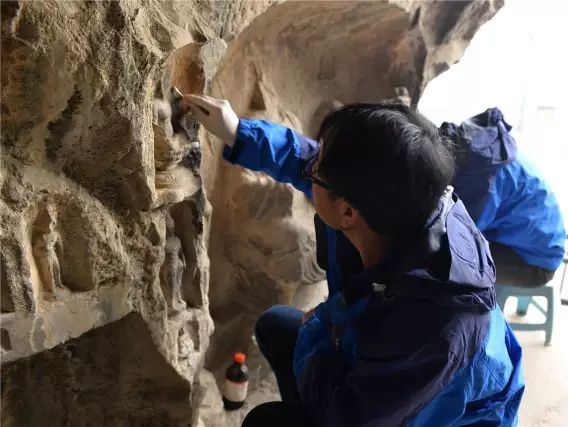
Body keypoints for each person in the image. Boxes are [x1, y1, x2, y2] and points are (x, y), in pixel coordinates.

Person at [183, 95, 524, 426]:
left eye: (316, 172)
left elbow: (352, 417)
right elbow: (311, 162)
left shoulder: (431, 329)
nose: (309, 170)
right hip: (381, 364)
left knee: (267, 421)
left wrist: (320, 325)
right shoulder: (404, 201)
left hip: (428, 411)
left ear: (347, 211)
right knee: (275, 326)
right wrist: (238, 131)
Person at [440, 108, 566, 290]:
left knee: (449, 264)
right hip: (528, 239)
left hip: (533, 260)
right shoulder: (477, 151)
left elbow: (460, 234)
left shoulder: (482, 180)